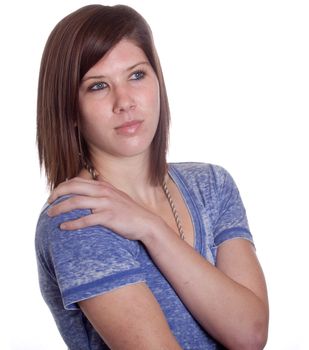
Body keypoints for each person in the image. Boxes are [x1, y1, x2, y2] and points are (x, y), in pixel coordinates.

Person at [35, 4, 269, 350]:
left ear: (158, 79)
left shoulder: (212, 186)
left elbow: (249, 334)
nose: (125, 101)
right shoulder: (78, 217)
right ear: (69, 108)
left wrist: (151, 228)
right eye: (98, 86)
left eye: (137, 75)